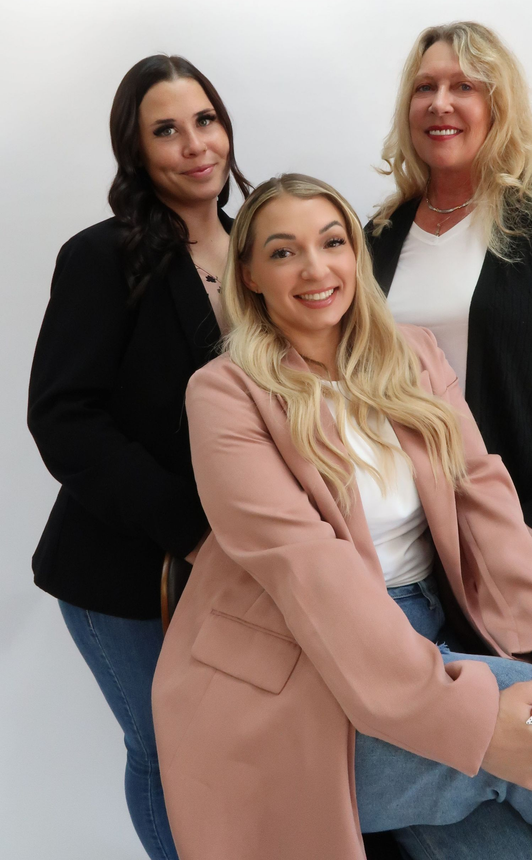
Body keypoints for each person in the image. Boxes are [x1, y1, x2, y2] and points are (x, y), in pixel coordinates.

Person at [151, 174, 532, 860]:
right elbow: (309, 570)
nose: (315, 268)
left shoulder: (413, 356)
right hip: (291, 693)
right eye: (283, 252)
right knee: (528, 711)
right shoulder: (223, 393)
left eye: (332, 242)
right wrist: (475, 719)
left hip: (424, 641)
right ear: (248, 275)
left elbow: (483, 501)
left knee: (528, 813)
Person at [27, 55, 251, 860]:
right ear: (135, 148)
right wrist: (190, 531)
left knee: (236, 749)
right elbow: (63, 417)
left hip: (247, 564)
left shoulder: (265, 249)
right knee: (168, 750)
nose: (195, 145)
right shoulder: (103, 256)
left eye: (206, 120)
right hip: (127, 569)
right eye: (166, 129)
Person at [366, 22, 532, 595]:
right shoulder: (381, 234)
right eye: (424, 87)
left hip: (515, 528)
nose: (441, 104)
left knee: (528, 683)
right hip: (407, 535)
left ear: (497, 105)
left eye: (464, 86)